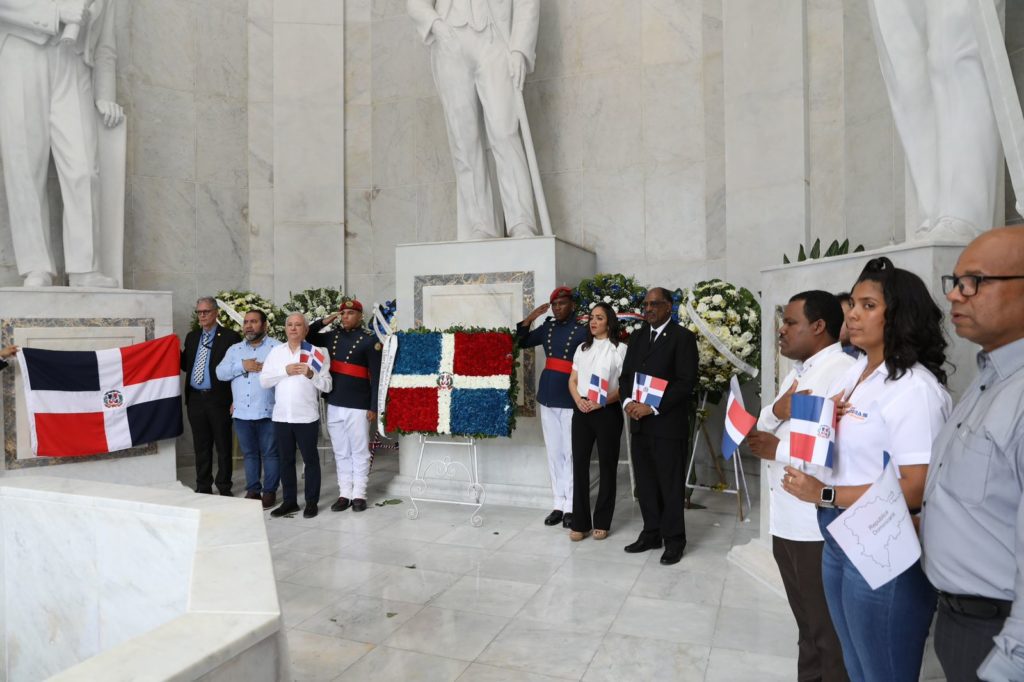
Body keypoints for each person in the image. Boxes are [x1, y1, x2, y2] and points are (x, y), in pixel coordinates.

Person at [783, 257, 951, 681]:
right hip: (840, 533)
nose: (853, 314)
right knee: (855, 667)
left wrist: (823, 494)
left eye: (869, 305)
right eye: (853, 304)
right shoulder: (858, 371)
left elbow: (914, 488)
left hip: (883, 542)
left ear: (900, 315)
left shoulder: (914, 390)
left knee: (882, 672)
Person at [921, 226, 1024, 681]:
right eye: (955, 282)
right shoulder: (988, 376)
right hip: (960, 621)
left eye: (974, 282)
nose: (956, 298)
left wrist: (1008, 662)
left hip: (1000, 636)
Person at [746, 291, 854, 682]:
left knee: (827, 634)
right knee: (806, 629)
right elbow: (761, 426)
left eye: (791, 322)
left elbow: (837, 447)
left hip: (816, 522)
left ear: (819, 326)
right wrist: (778, 410)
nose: (782, 329)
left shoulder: (842, 370)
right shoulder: (799, 371)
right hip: (785, 517)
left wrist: (779, 447)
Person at [0, 0, 123, 287]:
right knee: (24, 165)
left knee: (83, 168)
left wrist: (105, 94)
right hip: (22, 51)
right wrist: (55, 14)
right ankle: (36, 266)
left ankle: (85, 269)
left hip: (74, 62)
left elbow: (106, 42)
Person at [407, 0, 540, 239]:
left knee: (505, 130)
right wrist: (436, 25)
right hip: (450, 38)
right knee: (463, 140)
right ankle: (481, 225)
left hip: (495, 36)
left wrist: (520, 47)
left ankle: (521, 222)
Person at [619, 287, 698, 566]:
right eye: (646, 304)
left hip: (666, 424)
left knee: (669, 484)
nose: (648, 309)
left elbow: (685, 383)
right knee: (647, 483)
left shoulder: (683, 338)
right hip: (639, 424)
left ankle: (674, 539)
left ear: (668, 307)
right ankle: (651, 532)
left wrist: (652, 406)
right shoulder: (638, 337)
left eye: (655, 304)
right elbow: (626, 375)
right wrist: (628, 401)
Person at [517, 286, 588, 528]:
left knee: (570, 453)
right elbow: (521, 341)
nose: (558, 308)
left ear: (573, 305)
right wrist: (531, 318)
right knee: (554, 453)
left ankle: (571, 507)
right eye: (555, 304)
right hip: (548, 394)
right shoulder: (546, 327)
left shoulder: (582, 329)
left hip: (570, 396)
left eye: (563, 303)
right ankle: (558, 503)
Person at [307, 299, 382, 513]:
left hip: (358, 404)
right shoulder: (332, 336)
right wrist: (326, 320)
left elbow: (375, 377)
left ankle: (359, 494)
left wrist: (373, 407)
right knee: (340, 452)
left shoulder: (370, 340)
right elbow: (309, 334)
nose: (346, 316)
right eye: (343, 313)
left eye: (350, 313)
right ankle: (344, 494)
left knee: (359, 451)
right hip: (335, 402)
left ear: (360, 316)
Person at [566, 302, 627, 542]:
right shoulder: (582, 348)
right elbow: (572, 380)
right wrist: (578, 401)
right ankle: (580, 522)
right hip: (582, 410)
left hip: (606, 411)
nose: (593, 321)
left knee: (607, 466)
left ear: (609, 322)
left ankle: (602, 521)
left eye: (599, 318)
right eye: (591, 317)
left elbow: (625, 386)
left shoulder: (620, 349)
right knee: (579, 465)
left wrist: (601, 403)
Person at [261, 313, 332, 519]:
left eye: (298, 325)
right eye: (290, 325)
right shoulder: (276, 353)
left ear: (306, 329)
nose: (293, 328)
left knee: (310, 460)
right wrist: (286, 371)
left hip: (306, 417)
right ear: (285, 329)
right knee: (286, 460)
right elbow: (264, 381)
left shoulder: (317, 353)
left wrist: (312, 375)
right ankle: (290, 502)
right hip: (282, 417)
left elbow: (328, 385)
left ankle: (311, 502)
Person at [215, 310, 281, 509]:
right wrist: (243, 366)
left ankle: (269, 491)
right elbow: (220, 372)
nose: (248, 326)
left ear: (264, 325)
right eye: (246, 322)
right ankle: (253, 490)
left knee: (270, 453)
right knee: (250, 454)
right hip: (242, 412)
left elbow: (284, 375)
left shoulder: (276, 348)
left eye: (253, 322)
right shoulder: (235, 350)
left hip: (269, 410)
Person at [181, 297, 241, 495]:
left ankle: (224, 486)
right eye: (199, 312)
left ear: (216, 313)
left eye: (206, 311)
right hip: (195, 399)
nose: (202, 315)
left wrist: (235, 399)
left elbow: (236, 370)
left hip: (219, 398)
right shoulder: (192, 337)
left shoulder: (230, 337)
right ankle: (203, 485)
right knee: (201, 445)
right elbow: (185, 365)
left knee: (223, 445)